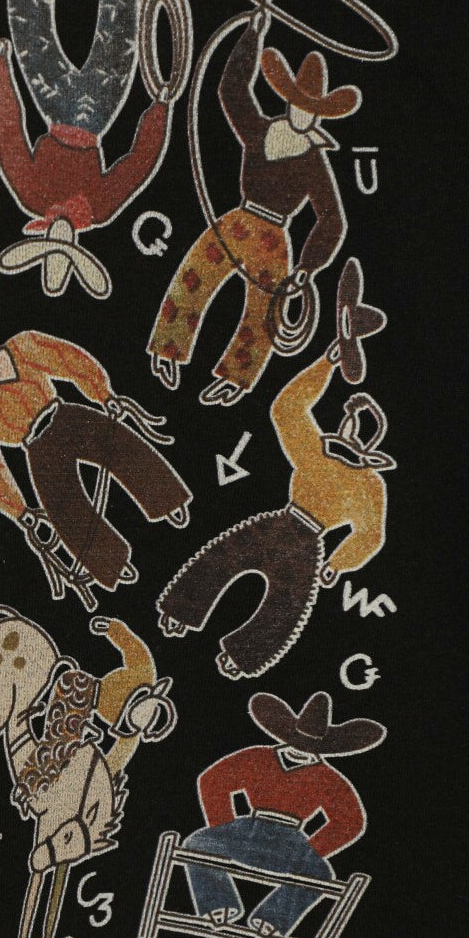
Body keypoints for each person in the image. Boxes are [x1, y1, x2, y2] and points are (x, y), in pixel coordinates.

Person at [158, 265, 391, 678]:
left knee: (282, 607)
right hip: (285, 526)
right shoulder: (321, 455)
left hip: (304, 542)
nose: (344, 456)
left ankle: (237, 653)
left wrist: (338, 563)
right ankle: (183, 613)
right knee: (226, 560)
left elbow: (371, 535)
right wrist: (326, 363)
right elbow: (286, 409)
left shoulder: (366, 483)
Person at [0, 272, 190, 598]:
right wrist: (19, 510)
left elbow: (69, 360)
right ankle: (110, 562)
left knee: (120, 444)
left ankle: (167, 499)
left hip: (66, 416)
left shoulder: (23, 346)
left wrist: (102, 394)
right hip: (37, 448)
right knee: (64, 507)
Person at [149, 4, 358, 402]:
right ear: (289, 101)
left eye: (312, 110)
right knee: (193, 277)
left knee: (263, 314)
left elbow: (333, 218)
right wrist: (251, 36)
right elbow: (231, 92)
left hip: (273, 240)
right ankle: (166, 351)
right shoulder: (261, 131)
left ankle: (236, 377)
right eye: (300, 104)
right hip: (238, 221)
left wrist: (307, 267)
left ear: (319, 115)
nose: (304, 114)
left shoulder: (315, 161)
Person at [0, 0, 169, 295]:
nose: (60, 236)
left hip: (53, 105)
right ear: (77, 247)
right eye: (66, 246)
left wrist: (0, 71)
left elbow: (7, 136)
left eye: (52, 242)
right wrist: (158, 111)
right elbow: (137, 164)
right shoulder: (99, 210)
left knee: (33, 43)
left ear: (42, 236)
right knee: (116, 53)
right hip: (97, 114)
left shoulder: (31, 197)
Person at [179, 690, 384, 936]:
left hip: (290, 841)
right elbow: (213, 780)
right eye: (298, 742)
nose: (300, 750)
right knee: (197, 843)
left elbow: (351, 821)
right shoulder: (259, 757)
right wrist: (222, 824)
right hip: (248, 830)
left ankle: (272, 921)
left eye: (309, 746)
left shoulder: (328, 778)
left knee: (320, 874)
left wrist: (313, 848)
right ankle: (218, 906)